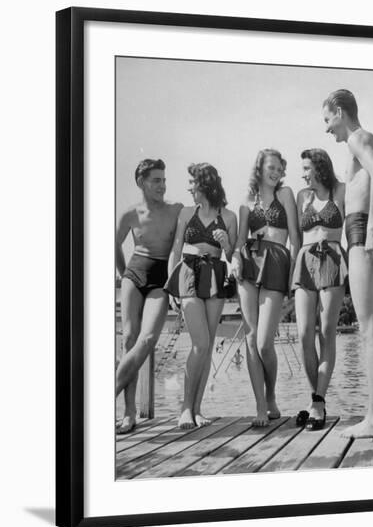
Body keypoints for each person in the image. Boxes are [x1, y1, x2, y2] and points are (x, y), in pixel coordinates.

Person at [323, 89, 373, 438]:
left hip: (363, 231)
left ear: (339, 111)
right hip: (361, 230)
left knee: (370, 331)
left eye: (328, 119)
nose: (327, 128)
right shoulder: (357, 143)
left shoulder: (359, 137)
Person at [164, 163, 237, 429]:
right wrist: (171, 285)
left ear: (205, 184)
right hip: (188, 272)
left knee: (206, 349)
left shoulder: (228, 217)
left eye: (193, 182)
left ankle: (197, 409)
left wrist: (226, 242)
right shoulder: (185, 212)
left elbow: (232, 256)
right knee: (200, 344)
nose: (189, 187)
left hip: (216, 275)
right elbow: (175, 249)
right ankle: (184, 408)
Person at [231, 148, 300, 426]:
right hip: (249, 264)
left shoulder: (285, 194)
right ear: (259, 168)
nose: (276, 172)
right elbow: (238, 243)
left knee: (264, 343)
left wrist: (293, 278)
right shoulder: (247, 200)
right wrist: (235, 258)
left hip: (277, 263)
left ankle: (271, 395)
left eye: (279, 168)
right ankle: (261, 406)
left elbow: (294, 238)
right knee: (249, 339)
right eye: (271, 167)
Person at [115, 158, 183, 433]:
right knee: (129, 338)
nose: (162, 185)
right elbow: (114, 244)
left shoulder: (175, 210)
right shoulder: (130, 213)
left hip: (159, 280)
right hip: (134, 274)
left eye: (164, 180)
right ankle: (129, 412)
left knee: (149, 338)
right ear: (142, 182)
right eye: (156, 180)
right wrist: (123, 274)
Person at [292, 149, 347, 430]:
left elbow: (356, 223)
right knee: (303, 334)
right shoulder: (302, 197)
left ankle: (317, 402)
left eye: (306, 168)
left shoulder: (340, 190)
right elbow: (294, 239)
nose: (302, 174)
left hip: (333, 259)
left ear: (320, 167)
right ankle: (318, 400)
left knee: (326, 333)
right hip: (305, 260)